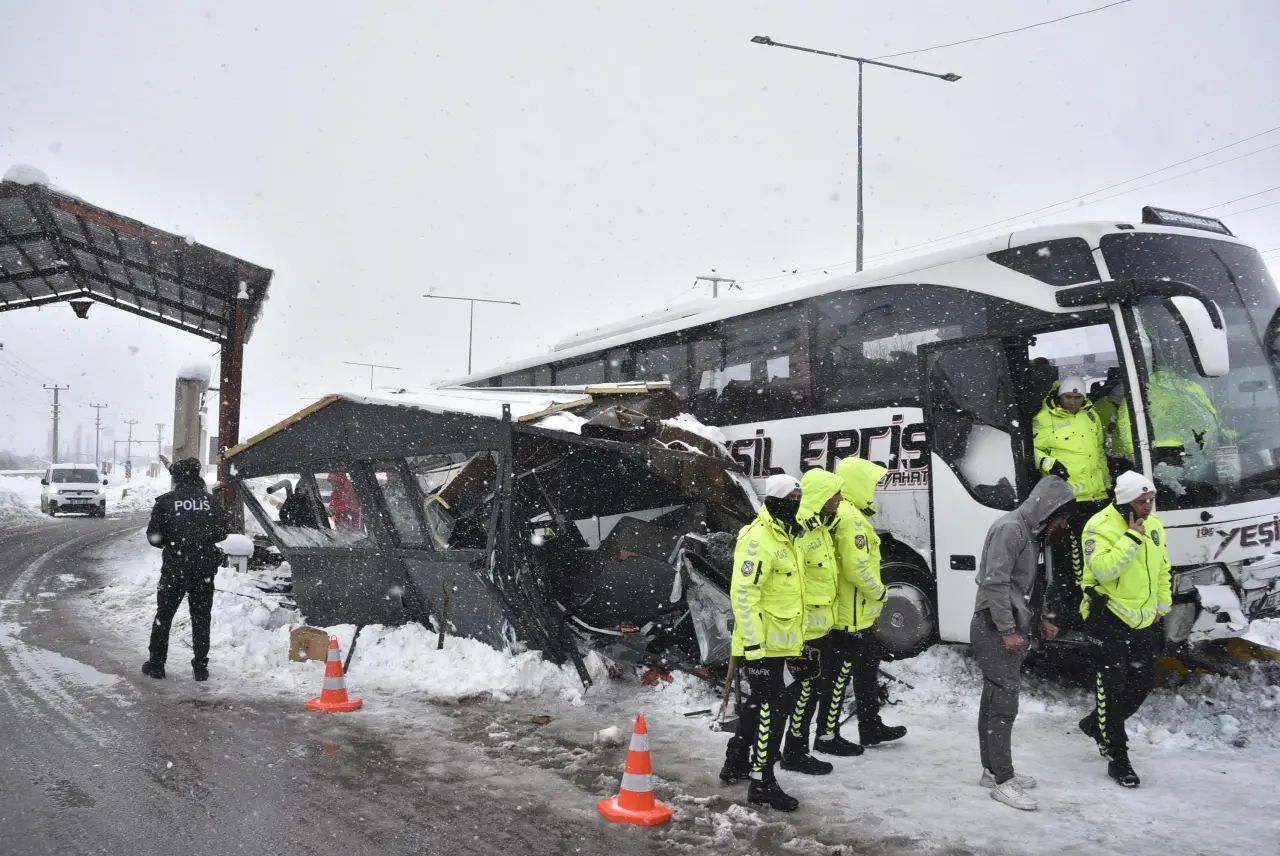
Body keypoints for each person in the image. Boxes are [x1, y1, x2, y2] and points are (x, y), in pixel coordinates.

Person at [971, 475, 1075, 811]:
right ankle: (1003, 781)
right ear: (1049, 509)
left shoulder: (1030, 533)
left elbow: (1024, 585)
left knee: (994, 698)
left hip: (1007, 625)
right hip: (994, 627)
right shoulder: (1010, 529)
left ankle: (992, 770)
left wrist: (1038, 618)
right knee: (1003, 704)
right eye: (1062, 516)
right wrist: (1006, 630)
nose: (1063, 524)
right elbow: (995, 583)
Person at [1077, 471, 1171, 788]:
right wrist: (1130, 537)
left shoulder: (1155, 526)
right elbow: (1103, 570)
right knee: (1112, 689)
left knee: (1143, 680)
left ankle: (1095, 723)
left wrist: (1162, 605)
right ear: (1124, 502)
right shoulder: (1098, 527)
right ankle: (1119, 759)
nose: (1148, 506)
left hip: (1143, 620)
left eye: (1150, 500)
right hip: (1109, 618)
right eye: (1141, 501)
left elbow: (1162, 569)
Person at [720, 474, 806, 812]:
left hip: (781, 642)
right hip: (762, 646)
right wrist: (754, 650)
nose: (799, 502)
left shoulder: (787, 536)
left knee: (759, 707)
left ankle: (736, 761)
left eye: (801, 496)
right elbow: (744, 594)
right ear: (778, 500)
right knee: (773, 711)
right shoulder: (759, 538)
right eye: (793, 497)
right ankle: (762, 783)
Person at [811, 456, 904, 755]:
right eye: (873, 483)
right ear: (859, 483)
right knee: (837, 678)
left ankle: (870, 726)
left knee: (866, 669)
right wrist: (880, 592)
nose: (876, 489)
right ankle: (827, 736)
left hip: (859, 614)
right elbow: (855, 567)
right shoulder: (850, 518)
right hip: (848, 617)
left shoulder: (851, 513)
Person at [1031, 375, 1111, 631]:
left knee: (1098, 556)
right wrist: (1050, 465)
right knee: (1075, 562)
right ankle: (1074, 613)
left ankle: (1095, 608)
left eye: (1078, 397)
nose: (1073, 402)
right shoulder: (1045, 419)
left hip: (1097, 499)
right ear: (1060, 396)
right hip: (1069, 501)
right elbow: (1032, 451)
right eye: (1069, 397)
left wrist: (1107, 486)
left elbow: (1098, 453)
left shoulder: (1091, 416)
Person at [780, 467, 845, 776]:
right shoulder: (802, 533)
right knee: (803, 693)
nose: (840, 498)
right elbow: (795, 584)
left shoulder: (820, 527)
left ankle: (797, 749)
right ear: (821, 496)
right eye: (835, 493)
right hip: (806, 631)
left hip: (822, 627)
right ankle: (794, 752)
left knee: (811, 691)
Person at [142, 458, 229, 682]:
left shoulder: (165, 502)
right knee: (201, 618)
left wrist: (172, 544)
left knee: (164, 616)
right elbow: (222, 533)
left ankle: (157, 664)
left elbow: (154, 537)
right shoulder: (210, 502)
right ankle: (200, 666)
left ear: (176, 479)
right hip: (203, 569)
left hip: (174, 569)